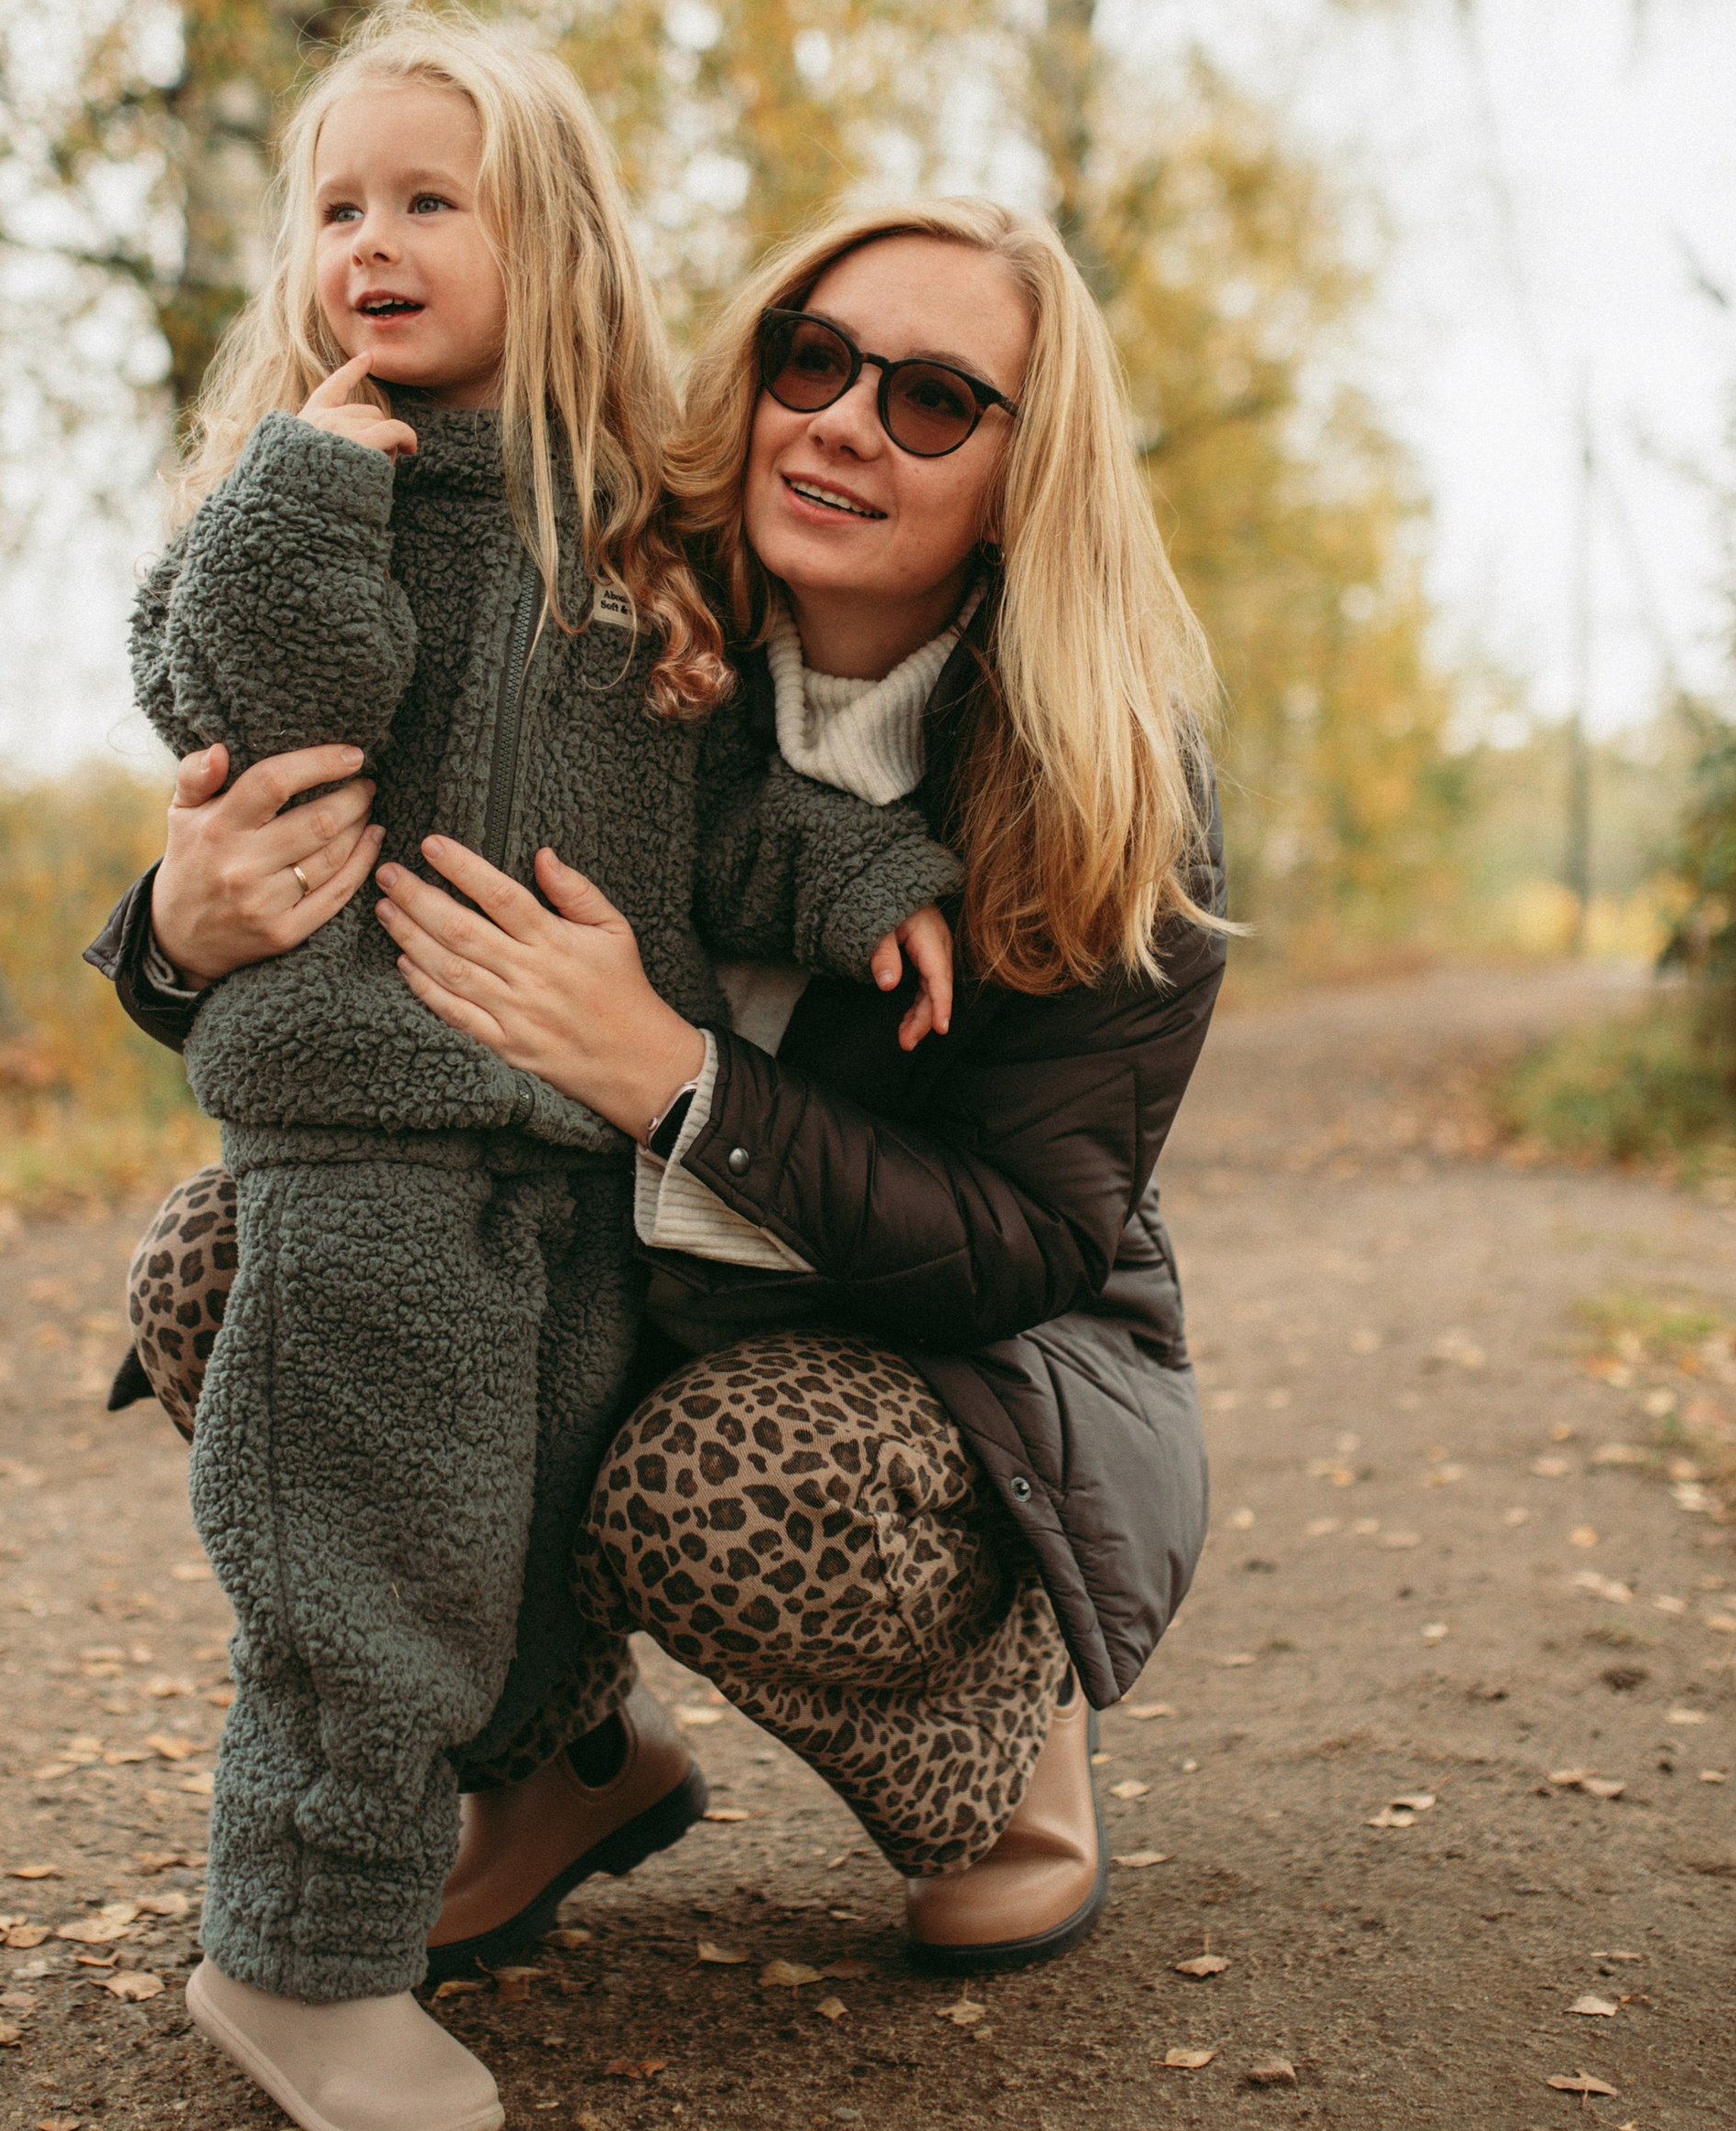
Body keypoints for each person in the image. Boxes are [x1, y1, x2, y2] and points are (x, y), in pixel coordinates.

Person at [99, 189, 1224, 2008]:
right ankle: (552, 1759)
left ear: (1027, 476)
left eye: (933, 399)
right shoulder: (610, 593)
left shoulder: (1100, 771)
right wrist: (172, 924)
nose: (846, 419)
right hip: (589, 1263)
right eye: (813, 360)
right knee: (220, 1267)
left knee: (720, 1491)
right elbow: (336, 851)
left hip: (930, 1360)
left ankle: (994, 1749)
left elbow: (1025, 1240)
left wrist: (668, 1077)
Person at [111, 8, 959, 2131]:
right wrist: (313, 479)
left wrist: (861, 873)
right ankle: (298, 1950)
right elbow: (249, 693)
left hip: (570, 1167)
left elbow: (723, 818)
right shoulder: (300, 496)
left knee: (511, 1553)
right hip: (372, 1129)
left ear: (549, 241)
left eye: (424, 202)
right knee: (359, 1571)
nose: (367, 247)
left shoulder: (634, 544)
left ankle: (555, 1774)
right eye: (334, 209)